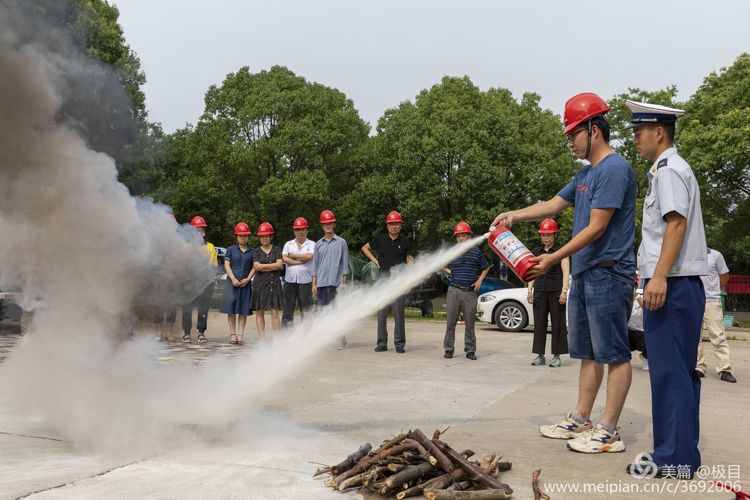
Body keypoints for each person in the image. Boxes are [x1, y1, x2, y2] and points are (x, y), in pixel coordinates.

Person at [492, 92, 636, 454]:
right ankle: (582, 418)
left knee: (615, 353)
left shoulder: (615, 169)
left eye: (574, 134)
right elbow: (553, 204)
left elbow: (597, 227)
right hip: (586, 274)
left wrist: (553, 257)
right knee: (587, 351)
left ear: (594, 129)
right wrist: (513, 215)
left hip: (608, 272)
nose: (570, 141)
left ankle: (609, 429)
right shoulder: (586, 173)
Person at [625, 100, 708, 478]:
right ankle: (682, 455)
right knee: (679, 372)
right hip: (679, 284)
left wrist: (658, 275)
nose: (636, 140)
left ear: (659, 132)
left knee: (669, 372)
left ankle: (672, 458)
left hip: (672, 285)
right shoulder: (670, 169)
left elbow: (675, 224)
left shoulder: (668, 171)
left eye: (639, 133)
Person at [362, 210, 414, 353]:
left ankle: (399, 344)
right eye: (391, 224)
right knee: (382, 313)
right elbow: (365, 248)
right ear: (387, 226)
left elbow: (409, 260)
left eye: (397, 224)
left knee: (399, 313)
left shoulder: (405, 241)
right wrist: (374, 260)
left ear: (400, 225)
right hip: (383, 280)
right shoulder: (380, 240)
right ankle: (382, 343)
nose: (394, 226)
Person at [442, 221, 490, 361]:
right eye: (459, 236)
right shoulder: (452, 252)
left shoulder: (476, 252)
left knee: (470, 324)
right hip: (453, 291)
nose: (461, 238)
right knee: (450, 323)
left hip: (470, 292)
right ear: (456, 238)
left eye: (464, 235)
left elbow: (486, 267)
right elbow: (441, 265)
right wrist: (450, 271)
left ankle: (470, 350)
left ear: (469, 236)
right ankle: (448, 349)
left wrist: (480, 280)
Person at [527, 218, 570, 368]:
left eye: (549, 234)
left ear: (554, 235)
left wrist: (564, 290)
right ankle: (540, 356)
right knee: (539, 324)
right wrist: (529, 290)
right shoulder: (535, 252)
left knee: (558, 325)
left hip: (556, 292)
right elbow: (532, 272)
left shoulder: (561, 251)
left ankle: (557, 356)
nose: (546, 237)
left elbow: (566, 272)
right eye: (543, 234)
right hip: (539, 291)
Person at [696, 248, 736, 382]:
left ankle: (724, 369)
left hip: (712, 301)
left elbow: (725, 276)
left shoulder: (715, 255)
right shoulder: (688, 254)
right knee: (695, 337)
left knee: (718, 335)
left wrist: (714, 290)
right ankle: (698, 367)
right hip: (694, 300)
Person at [311, 210, 350, 349]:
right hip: (321, 283)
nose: (328, 226)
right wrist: (314, 284)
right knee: (322, 312)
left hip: (336, 283)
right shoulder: (318, 244)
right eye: (325, 223)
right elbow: (314, 266)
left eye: (330, 223)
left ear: (334, 224)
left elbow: (345, 265)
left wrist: (344, 284)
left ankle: (340, 339)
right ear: (322, 226)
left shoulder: (341, 242)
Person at [182, 215, 218, 344]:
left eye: (201, 229)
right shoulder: (185, 246)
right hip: (189, 283)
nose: (199, 232)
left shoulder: (210, 247)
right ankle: (186, 333)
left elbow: (213, 265)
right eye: (196, 229)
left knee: (203, 309)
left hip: (205, 282)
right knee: (187, 308)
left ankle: (201, 333)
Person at [221, 222, 255, 345]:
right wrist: (233, 278)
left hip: (245, 284)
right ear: (236, 237)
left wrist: (248, 279)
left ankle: (240, 334)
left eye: (245, 235)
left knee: (243, 310)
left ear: (248, 237)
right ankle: (232, 334)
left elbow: (254, 267)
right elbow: (226, 264)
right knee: (231, 310)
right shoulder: (230, 249)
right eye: (240, 236)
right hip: (232, 284)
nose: (243, 238)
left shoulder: (252, 251)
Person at [281, 217, 315, 328]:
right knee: (288, 309)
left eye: (302, 229)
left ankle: (306, 336)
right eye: (297, 229)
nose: (300, 232)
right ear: (294, 231)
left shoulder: (312, 244)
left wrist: (293, 256)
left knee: (306, 309)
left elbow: (309, 256)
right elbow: (284, 259)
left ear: (306, 230)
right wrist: (301, 262)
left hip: (305, 281)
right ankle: (286, 335)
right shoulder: (288, 244)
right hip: (290, 281)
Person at [252, 222, 284, 337]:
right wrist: (272, 265)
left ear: (271, 236)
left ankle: (277, 339)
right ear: (259, 237)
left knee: (275, 311)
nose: (264, 238)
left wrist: (263, 266)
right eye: (262, 236)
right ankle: (262, 339)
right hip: (259, 284)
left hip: (274, 283)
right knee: (260, 311)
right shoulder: (256, 251)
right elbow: (256, 266)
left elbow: (279, 265)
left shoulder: (277, 249)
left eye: (266, 236)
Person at [627, 286, 648, 371]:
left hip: (642, 332)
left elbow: (646, 307)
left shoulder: (642, 296)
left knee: (648, 344)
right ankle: (624, 360)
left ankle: (645, 357)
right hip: (629, 330)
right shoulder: (624, 298)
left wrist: (636, 295)